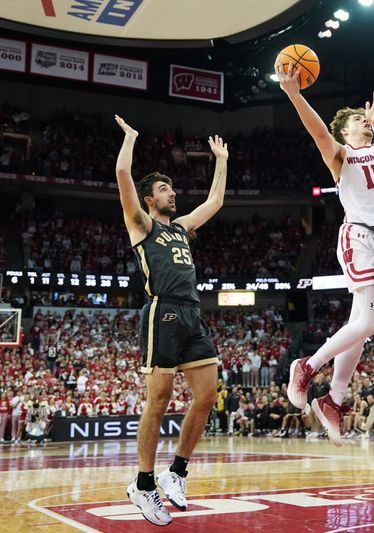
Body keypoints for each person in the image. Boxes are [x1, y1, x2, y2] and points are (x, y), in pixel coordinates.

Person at [114, 115, 227, 526]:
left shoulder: (180, 228)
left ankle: (175, 472)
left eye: (172, 188)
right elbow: (124, 172)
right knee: (158, 400)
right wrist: (130, 137)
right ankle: (143, 484)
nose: (172, 193)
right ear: (148, 199)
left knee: (207, 395)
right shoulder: (141, 225)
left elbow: (214, 203)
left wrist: (221, 160)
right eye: (164, 189)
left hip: (192, 312)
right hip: (161, 311)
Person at [276, 63, 374, 447]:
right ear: (346, 130)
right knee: (373, 321)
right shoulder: (341, 153)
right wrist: (294, 94)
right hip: (357, 236)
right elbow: (319, 132)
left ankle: (334, 399)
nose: (367, 118)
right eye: (358, 118)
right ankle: (306, 367)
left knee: (361, 323)